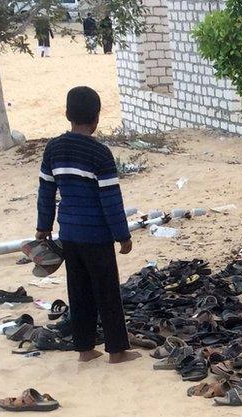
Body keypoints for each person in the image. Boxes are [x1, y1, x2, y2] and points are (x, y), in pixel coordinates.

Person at [35, 86, 140, 364]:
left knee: (78, 291)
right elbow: (110, 199)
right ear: (96, 118)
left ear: (68, 114)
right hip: (97, 235)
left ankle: (84, 349)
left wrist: (43, 226)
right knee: (107, 292)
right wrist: (122, 235)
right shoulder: (100, 153)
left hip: (68, 232)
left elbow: (46, 190)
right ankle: (116, 351)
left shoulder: (54, 148)